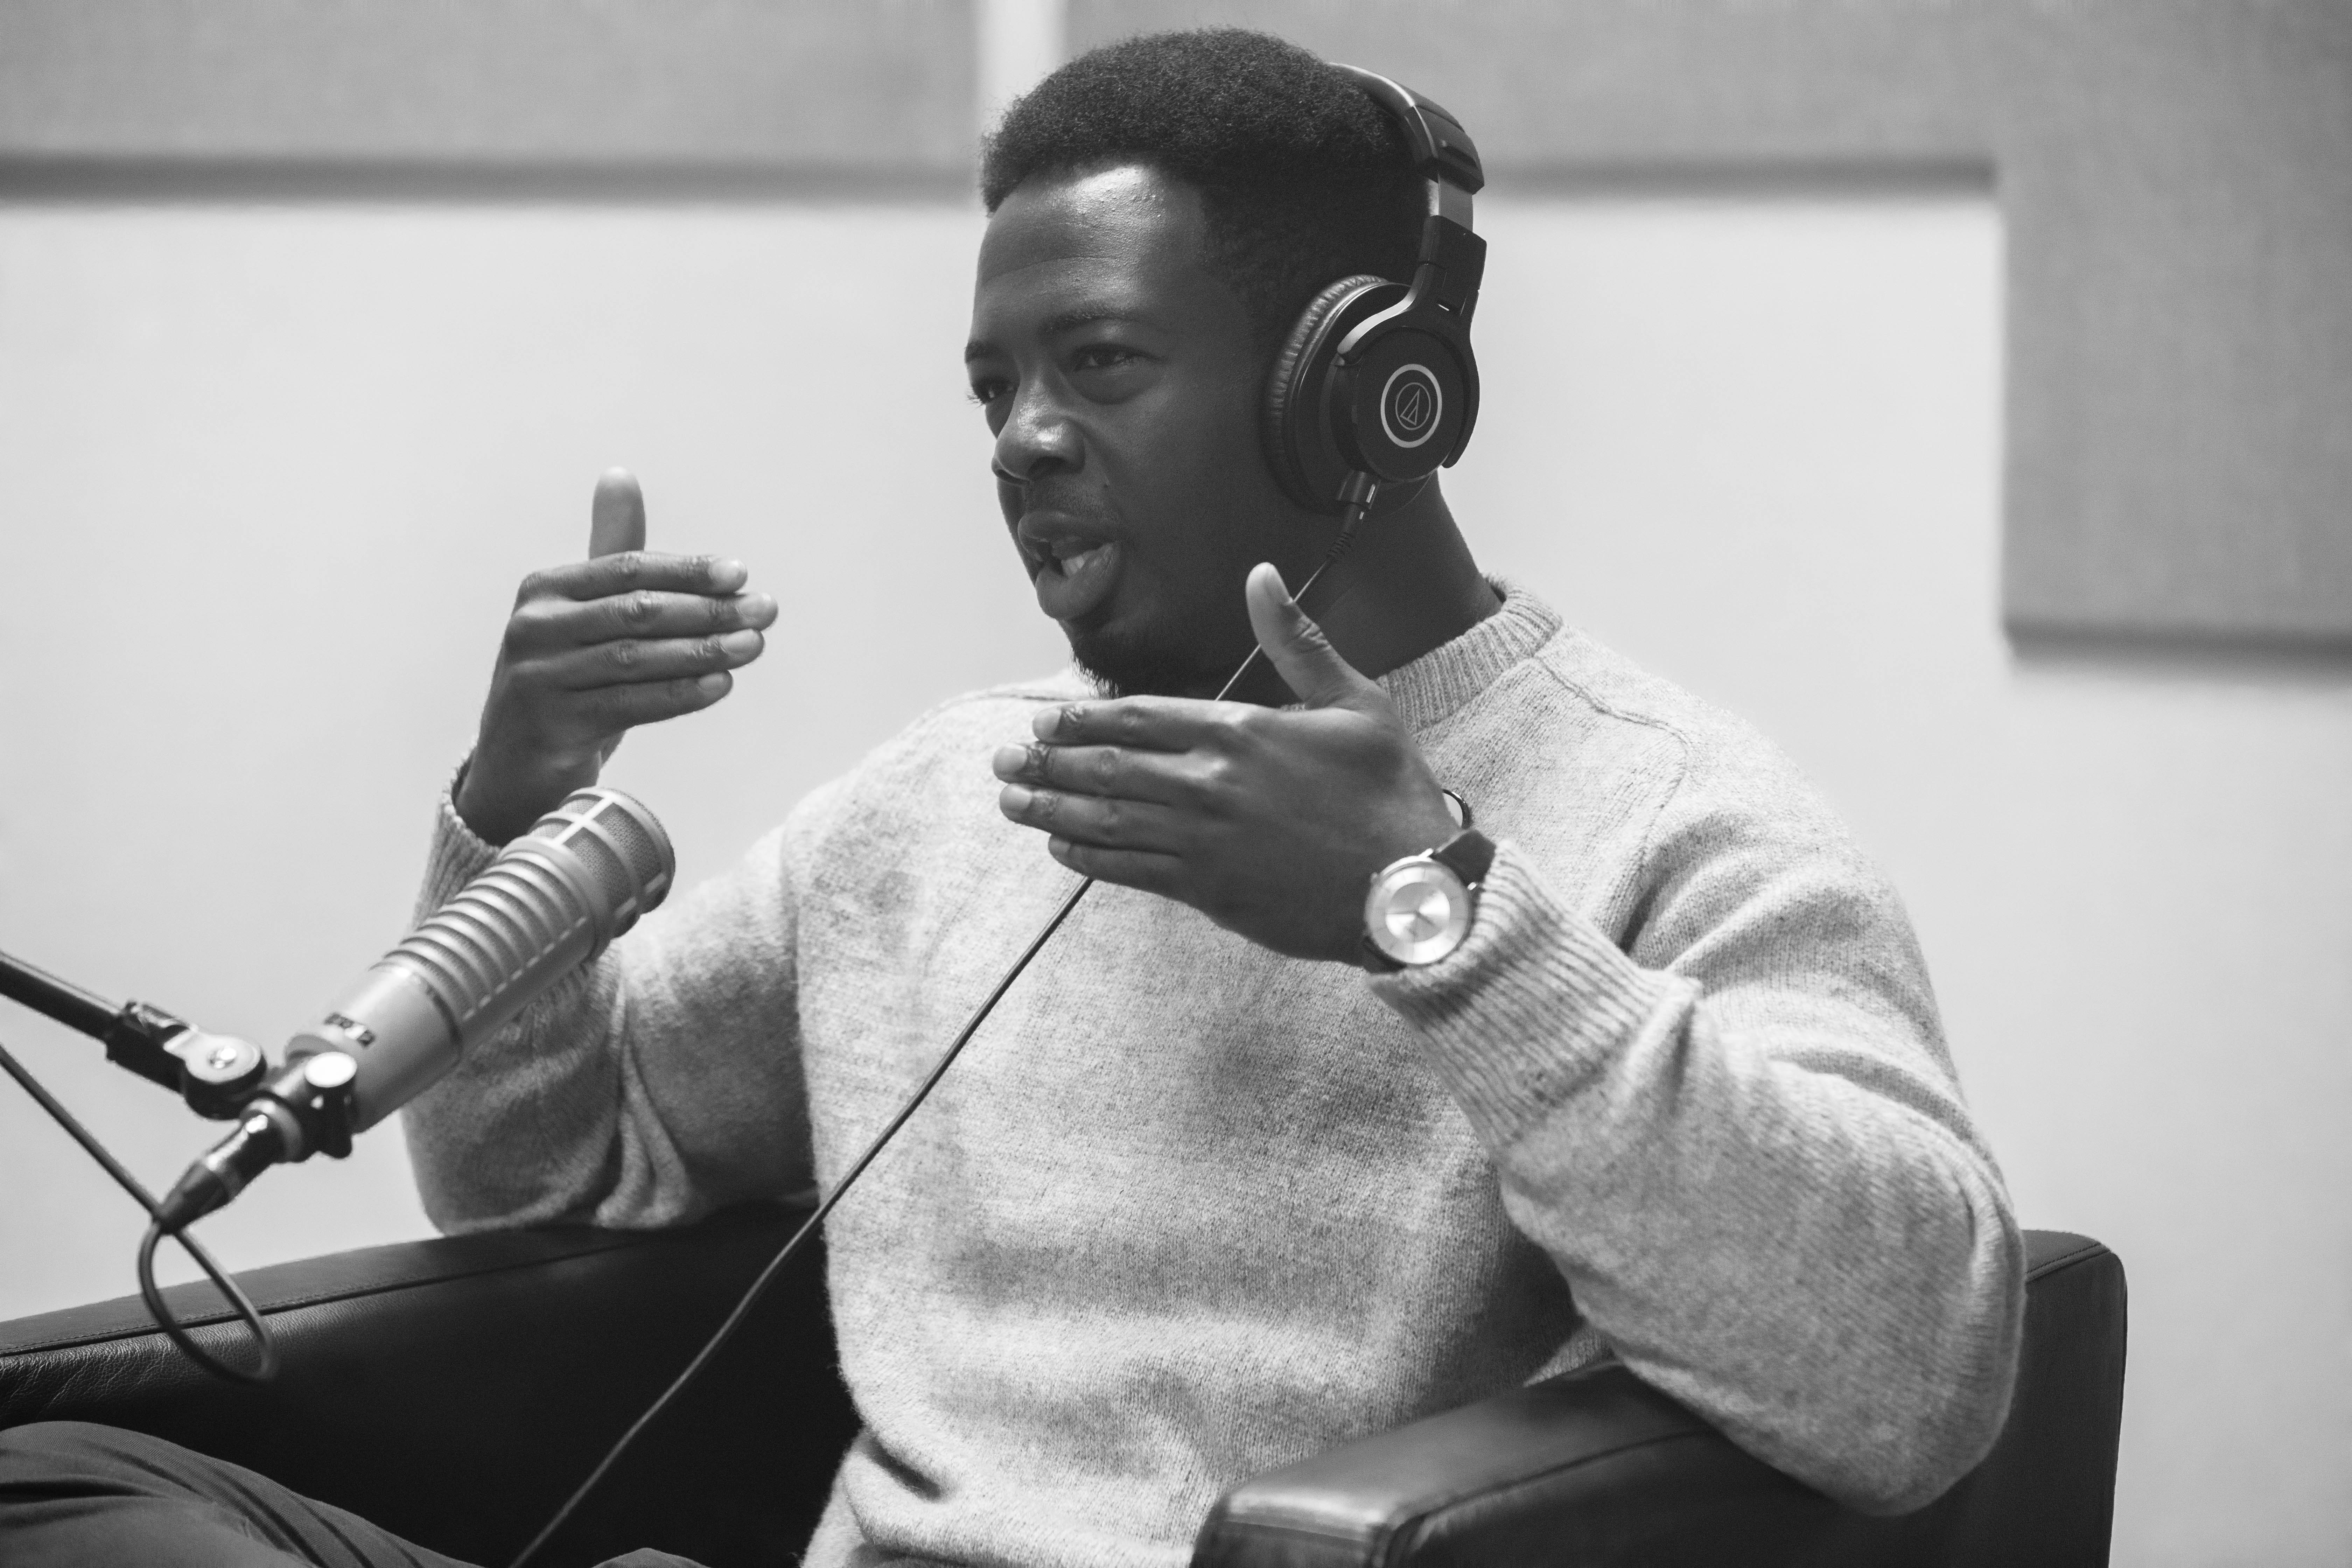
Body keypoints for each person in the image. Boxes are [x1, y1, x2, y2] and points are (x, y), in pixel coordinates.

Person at [0, 28, 2023, 1568]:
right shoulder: (937, 810)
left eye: (1102, 364)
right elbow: (544, 1185)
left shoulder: (1667, 817)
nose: (1026, 442)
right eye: (994, 388)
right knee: (49, 1478)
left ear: (1367, 393)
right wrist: (528, 804)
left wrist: (1435, 920)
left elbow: (1917, 1374)